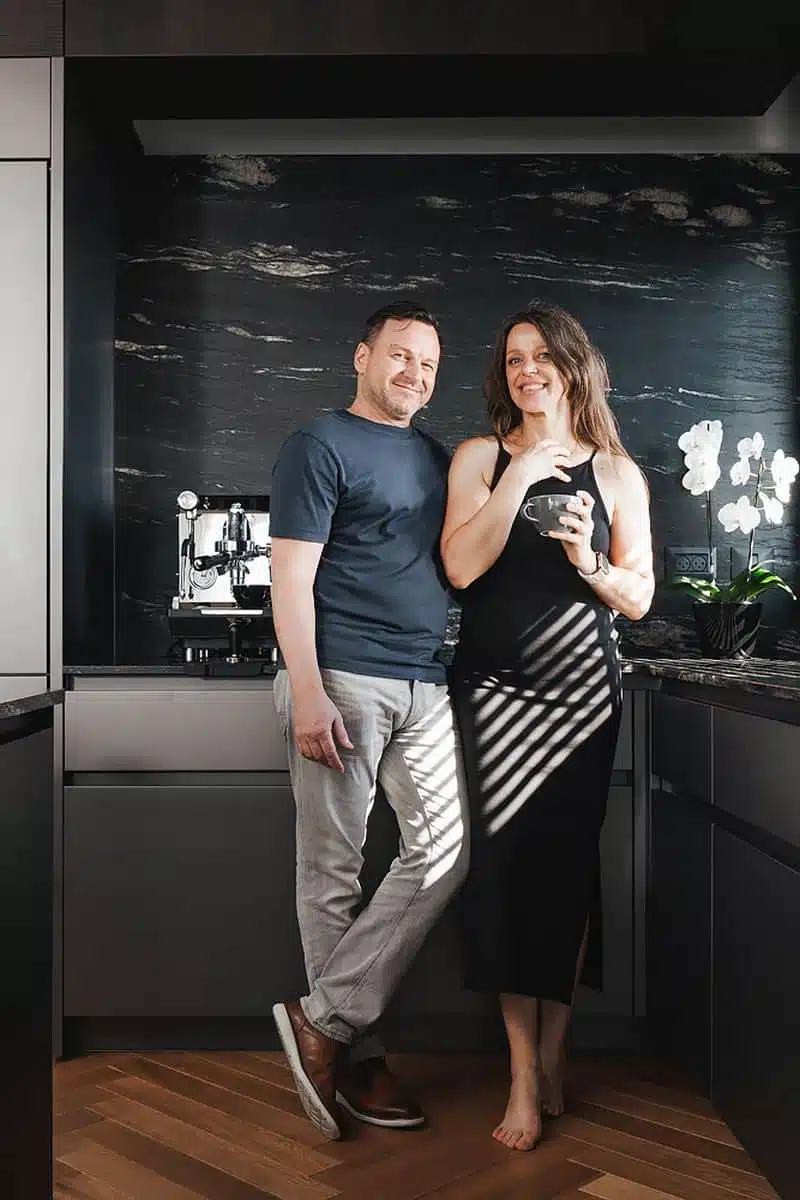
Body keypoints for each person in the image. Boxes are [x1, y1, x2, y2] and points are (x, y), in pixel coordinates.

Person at [441, 300, 654, 1152]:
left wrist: (587, 560)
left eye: (542, 356)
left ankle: (556, 1052)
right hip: (493, 689)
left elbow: (638, 598)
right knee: (501, 873)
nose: (528, 369)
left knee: (565, 873)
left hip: (581, 694)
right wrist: (521, 475)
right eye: (514, 359)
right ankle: (523, 1074)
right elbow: (461, 568)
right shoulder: (479, 457)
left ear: (572, 366)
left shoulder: (617, 473)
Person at [269, 301, 469, 1141]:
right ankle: (359, 1058)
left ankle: (325, 1021)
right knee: (334, 871)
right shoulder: (319, 444)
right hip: (342, 677)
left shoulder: (437, 457)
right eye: (400, 355)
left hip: (425, 682)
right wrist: (307, 689)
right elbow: (290, 576)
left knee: (443, 851)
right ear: (362, 357)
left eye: (428, 363)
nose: (414, 373)